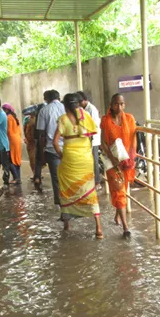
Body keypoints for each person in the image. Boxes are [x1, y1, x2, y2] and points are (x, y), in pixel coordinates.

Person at [53, 93, 103, 238]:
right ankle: (98, 228)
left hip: (70, 158)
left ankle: (67, 224)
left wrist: (62, 155)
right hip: (86, 159)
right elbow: (93, 134)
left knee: (66, 189)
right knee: (89, 189)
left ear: (65, 105)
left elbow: (55, 142)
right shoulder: (86, 116)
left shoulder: (63, 119)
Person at [101, 93, 137, 238]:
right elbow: (103, 142)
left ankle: (117, 216)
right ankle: (125, 227)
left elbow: (133, 139)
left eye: (121, 104)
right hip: (112, 161)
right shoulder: (105, 120)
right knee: (120, 191)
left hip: (126, 161)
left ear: (124, 105)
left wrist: (130, 158)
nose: (119, 107)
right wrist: (112, 157)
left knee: (122, 189)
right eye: (116, 104)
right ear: (111, 104)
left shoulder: (129, 118)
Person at [35, 90, 65, 205]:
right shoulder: (65, 108)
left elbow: (41, 134)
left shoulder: (44, 110)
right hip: (68, 147)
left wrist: (41, 154)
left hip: (52, 149)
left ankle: (60, 202)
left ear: (46, 99)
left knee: (56, 177)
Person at [77, 91, 102, 187]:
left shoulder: (92, 109)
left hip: (94, 139)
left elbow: (95, 125)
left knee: (94, 161)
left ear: (83, 101)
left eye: (79, 103)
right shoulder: (83, 109)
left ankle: (97, 182)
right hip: (87, 138)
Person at [3, 103, 22, 184]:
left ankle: (16, 178)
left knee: (9, 159)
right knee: (16, 159)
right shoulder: (14, 117)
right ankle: (18, 178)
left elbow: (8, 131)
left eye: (3, 109)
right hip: (17, 139)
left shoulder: (8, 118)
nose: (3, 111)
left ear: (7, 110)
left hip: (12, 140)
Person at [23, 104, 41, 176]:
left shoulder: (38, 119)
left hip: (36, 141)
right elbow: (25, 130)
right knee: (32, 158)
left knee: (36, 158)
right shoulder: (27, 119)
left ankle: (37, 173)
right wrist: (26, 138)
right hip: (30, 141)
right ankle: (35, 173)